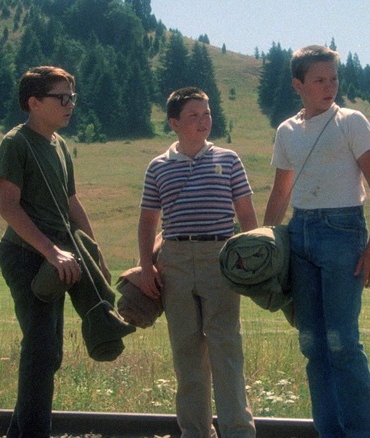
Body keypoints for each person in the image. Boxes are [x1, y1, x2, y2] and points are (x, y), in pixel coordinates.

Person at [263, 45, 370, 438]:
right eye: (319, 80)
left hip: (344, 232)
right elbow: (281, 193)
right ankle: (330, 432)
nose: (329, 86)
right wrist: (266, 245)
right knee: (311, 343)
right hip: (300, 235)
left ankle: (366, 434)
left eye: (334, 78)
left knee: (342, 342)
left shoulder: (351, 122)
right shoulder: (287, 131)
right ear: (298, 84)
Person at [0, 66, 110, 436]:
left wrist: (95, 256)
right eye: (61, 97)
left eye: (72, 97)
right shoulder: (16, 143)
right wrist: (50, 251)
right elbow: (9, 207)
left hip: (55, 258)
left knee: (48, 352)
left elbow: (72, 202)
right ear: (33, 102)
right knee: (42, 350)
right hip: (28, 256)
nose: (70, 104)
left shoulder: (59, 145)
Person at [137, 86, 258, 438]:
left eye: (206, 113)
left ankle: (238, 431)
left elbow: (246, 214)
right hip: (174, 260)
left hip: (219, 257)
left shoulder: (229, 159)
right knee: (186, 352)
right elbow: (148, 221)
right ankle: (195, 432)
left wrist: (255, 261)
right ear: (174, 123)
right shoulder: (158, 167)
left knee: (226, 349)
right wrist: (147, 267)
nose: (203, 121)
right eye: (194, 115)